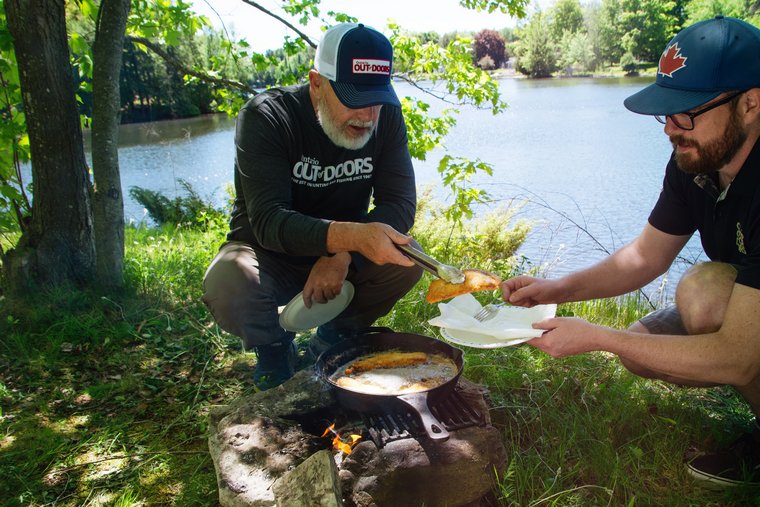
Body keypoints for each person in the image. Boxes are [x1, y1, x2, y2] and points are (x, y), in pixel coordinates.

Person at [501, 16, 760, 489]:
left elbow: (739, 357)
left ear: (749, 103)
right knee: (643, 351)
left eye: (686, 113)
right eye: (666, 113)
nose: (670, 130)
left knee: (704, 296)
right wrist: (552, 290)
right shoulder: (695, 156)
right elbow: (645, 258)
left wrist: (600, 337)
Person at [203, 23, 423, 390]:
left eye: (377, 99)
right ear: (317, 83)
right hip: (268, 253)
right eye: (354, 98)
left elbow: (400, 203)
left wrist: (342, 253)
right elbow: (269, 220)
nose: (368, 115)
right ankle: (274, 349)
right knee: (229, 282)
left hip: (345, 251)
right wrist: (345, 238)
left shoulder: (386, 119)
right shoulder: (267, 117)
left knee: (408, 256)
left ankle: (333, 338)